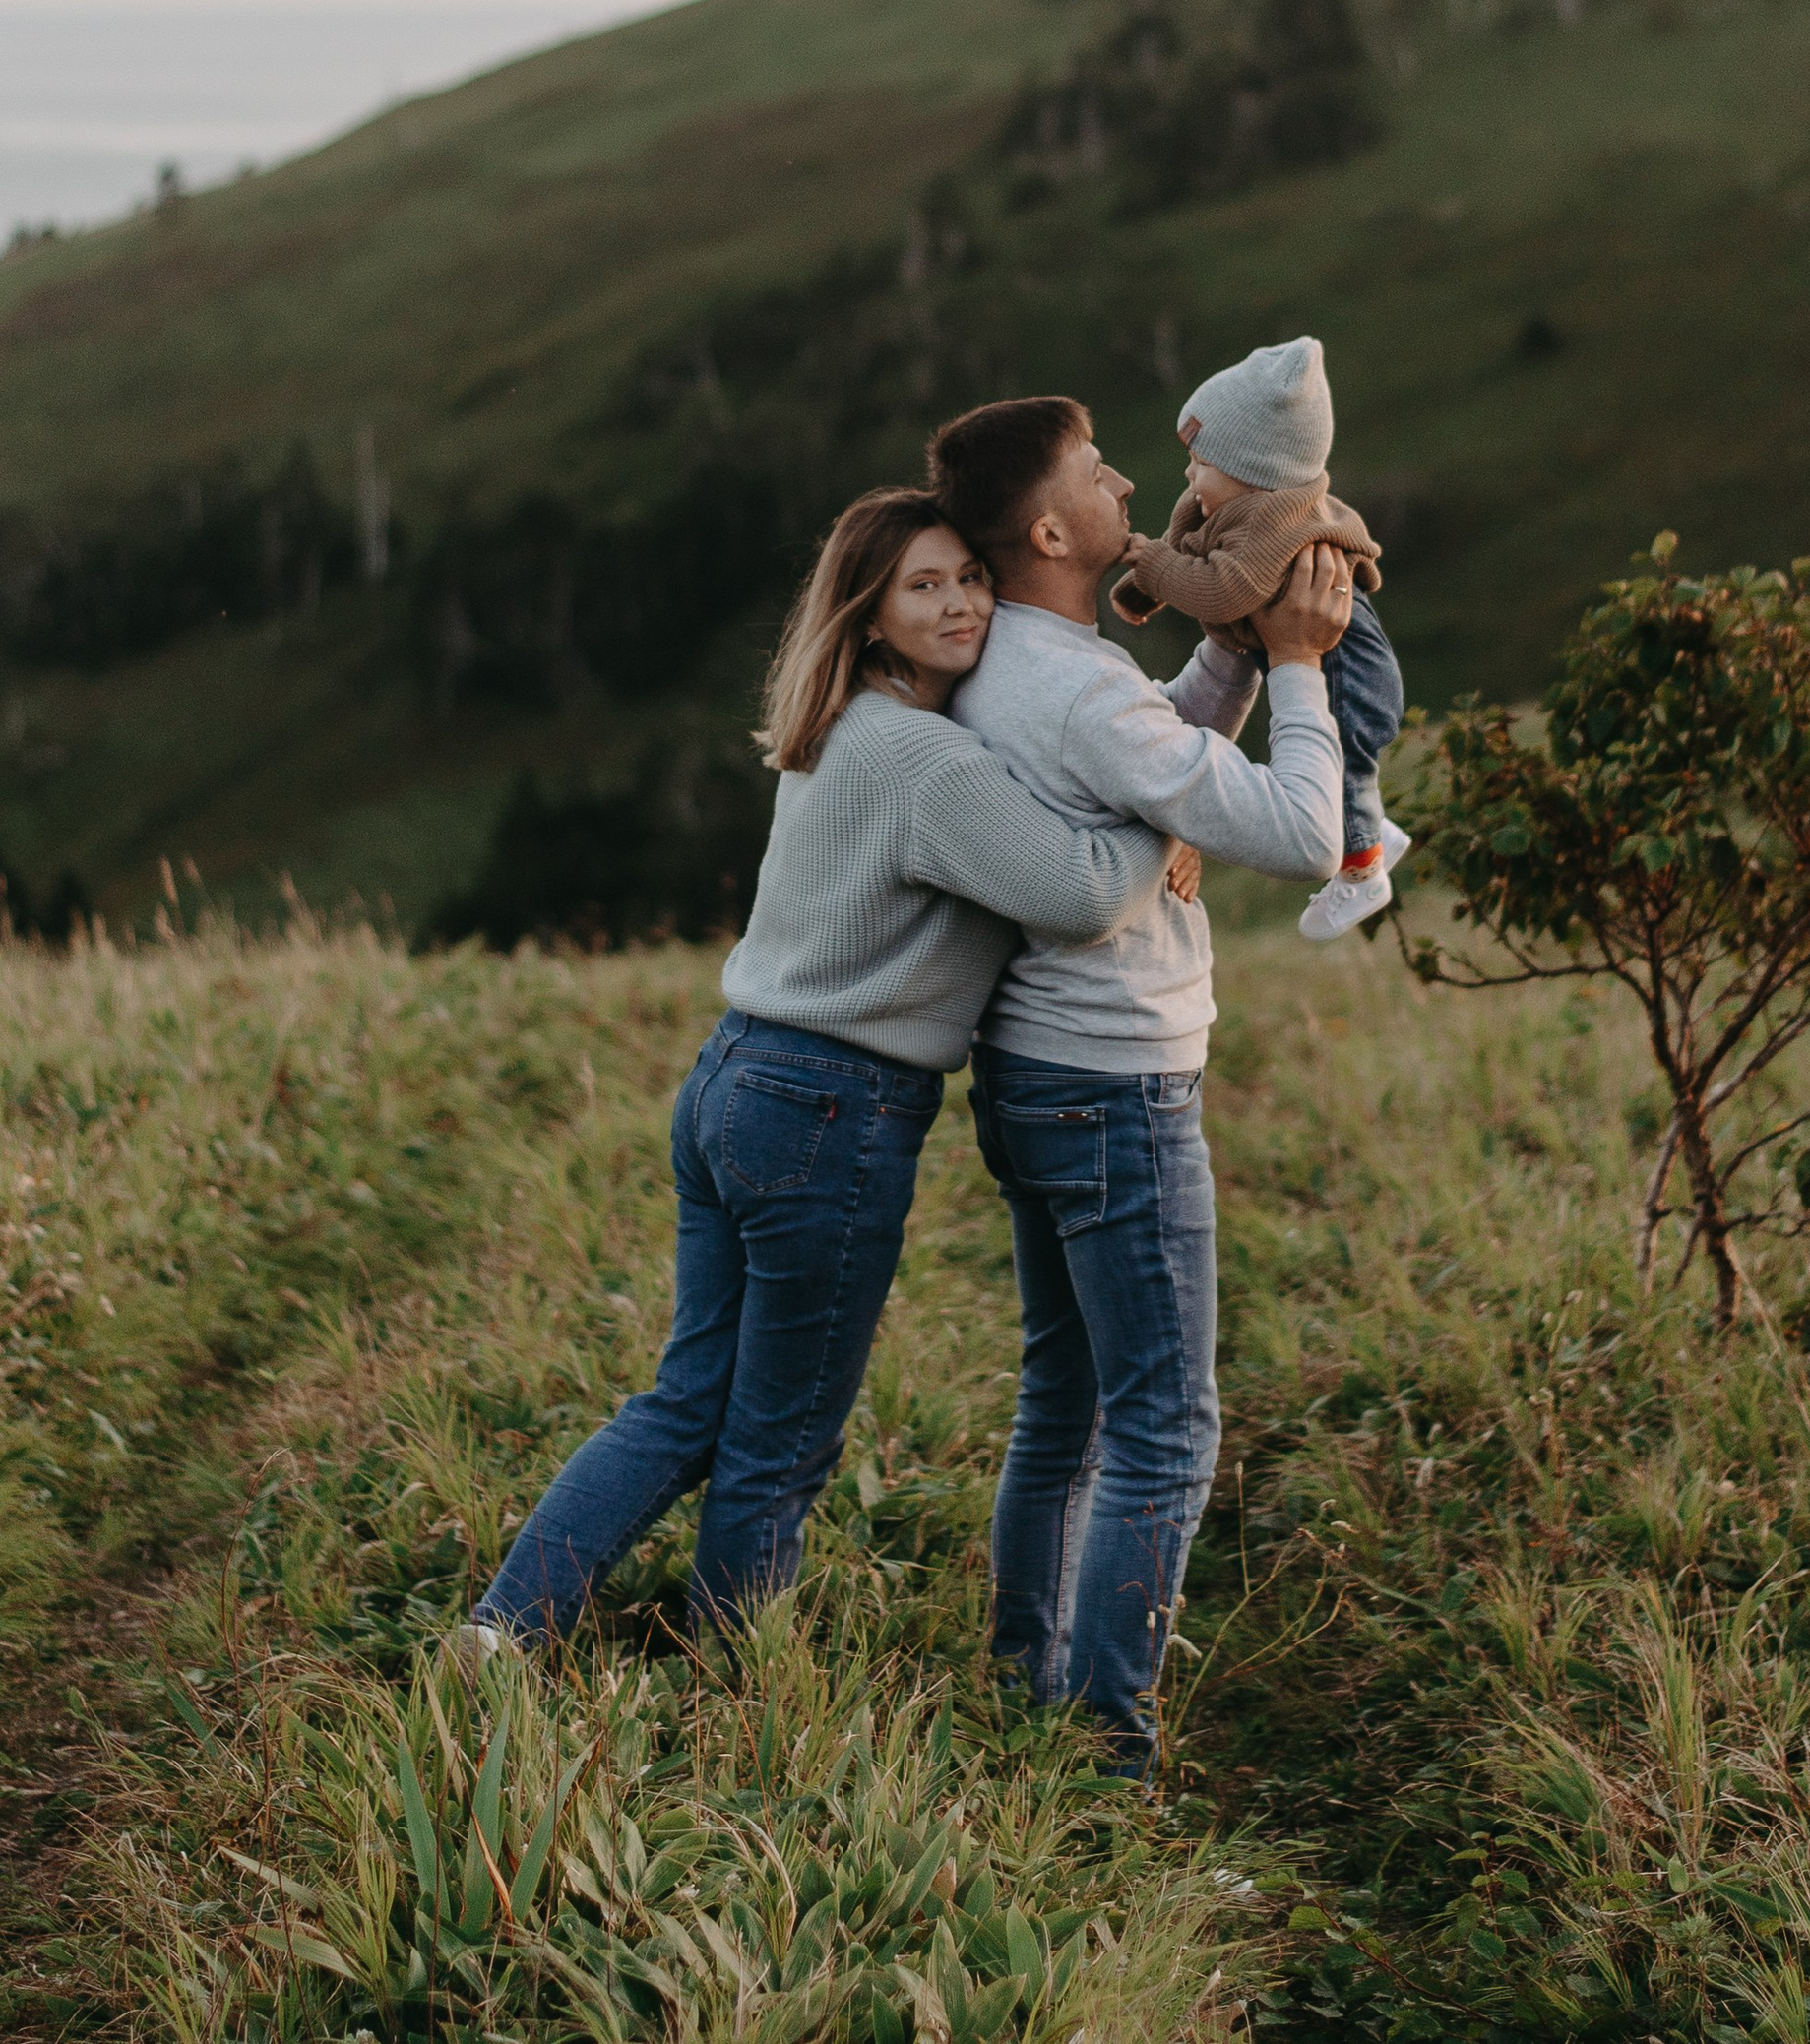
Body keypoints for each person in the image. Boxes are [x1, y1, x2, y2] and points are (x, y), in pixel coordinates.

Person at [465, 489, 1179, 1652]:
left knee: (689, 1401)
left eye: (967, 576)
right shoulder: (925, 762)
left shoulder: (844, 726)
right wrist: (1170, 803)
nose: (958, 602)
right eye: (922, 586)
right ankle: (738, 1697)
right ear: (870, 615)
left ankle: (502, 1631)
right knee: (778, 1440)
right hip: (828, 1110)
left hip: (736, 1079)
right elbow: (1086, 896)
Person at [927, 392, 1348, 1776]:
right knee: (1167, 1428)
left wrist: (1224, 664)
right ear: (1051, 528)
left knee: (1066, 1399)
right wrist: (1294, 659)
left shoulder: (1020, 666)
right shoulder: (1082, 688)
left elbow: (1147, 755)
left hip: (1035, 1072)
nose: (1127, 488)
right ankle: (1104, 1748)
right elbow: (1298, 830)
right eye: (1098, 474)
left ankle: (1021, 1682)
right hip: (1118, 1089)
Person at [1108, 332, 1410, 939]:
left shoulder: (1276, 520)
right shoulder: (1225, 499)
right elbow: (1184, 546)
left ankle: (1362, 869)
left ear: (1254, 472)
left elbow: (1227, 590)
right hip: (1321, 650)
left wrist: (1159, 573)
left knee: (1345, 760)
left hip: (1349, 666)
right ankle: (1373, 825)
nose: (1189, 474)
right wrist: (1143, 587)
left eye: (1203, 463)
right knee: (1349, 769)